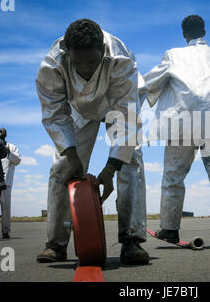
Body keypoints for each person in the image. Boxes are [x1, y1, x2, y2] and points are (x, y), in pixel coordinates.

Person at [35, 19, 149, 264]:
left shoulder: (121, 60)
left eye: (92, 62)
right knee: (62, 167)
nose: (85, 69)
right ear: (67, 53)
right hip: (78, 108)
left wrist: (110, 168)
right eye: (78, 63)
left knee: (131, 159)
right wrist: (73, 156)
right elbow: (54, 111)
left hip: (117, 103)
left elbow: (126, 117)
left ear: (103, 52)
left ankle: (131, 240)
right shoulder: (52, 64)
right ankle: (56, 243)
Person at [143, 15, 210, 249]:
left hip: (183, 124)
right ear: (204, 32)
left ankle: (169, 228)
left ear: (184, 34)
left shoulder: (173, 55)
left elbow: (151, 82)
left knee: (173, 176)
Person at [0, 128, 21, 239]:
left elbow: (17, 161)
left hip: (6, 183)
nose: (1, 132)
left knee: (6, 208)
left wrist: (8, 152)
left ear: (6, 134)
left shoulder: (12, 147)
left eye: (3, 131)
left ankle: (5, 231)